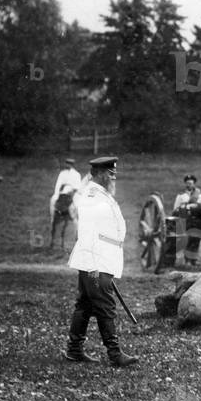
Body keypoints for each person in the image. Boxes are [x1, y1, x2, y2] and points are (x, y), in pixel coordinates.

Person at [63, 157, 137, 367]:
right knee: (104, 304)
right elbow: (90, 231)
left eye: (114, 174)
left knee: (85, 304)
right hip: (95, 262)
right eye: (111, 174)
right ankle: (115, 354)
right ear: (101, 174)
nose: (113, 178)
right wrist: (98, 266)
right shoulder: (92, 196)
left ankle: (74, 350)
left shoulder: (101, 194)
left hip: (99, 260)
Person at [173, 175, 201, 267]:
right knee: (188, 240)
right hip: (184, 221)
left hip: (196, 221)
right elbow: (175, 209)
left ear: (194, 184)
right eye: (187, 183)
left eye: (190, 183)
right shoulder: (181, 196)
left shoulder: (199, 195)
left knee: (196, 240)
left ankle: (193, 260)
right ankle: (187, 260)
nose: (189, 185)